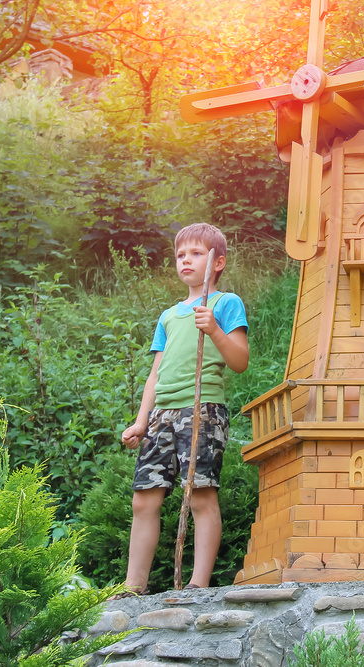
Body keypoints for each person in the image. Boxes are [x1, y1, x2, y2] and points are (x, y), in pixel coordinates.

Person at [116, 223, 249, 596]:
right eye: (180, 255)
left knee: (201, 494)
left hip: (202, 409)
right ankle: (133, 586)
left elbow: (240, 361)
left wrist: (216, 331)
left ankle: (197, 585)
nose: (186, 260)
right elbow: (155, 374)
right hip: (162, 416)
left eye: (196, 253)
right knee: (144, 497)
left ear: (217, 262)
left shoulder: (224, 303)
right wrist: (142, 421)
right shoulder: (169, 316)